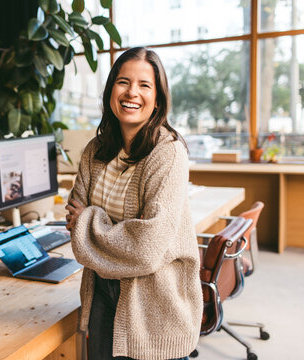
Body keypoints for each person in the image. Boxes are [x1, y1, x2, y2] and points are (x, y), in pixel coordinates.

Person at [65, 47, 202, 360]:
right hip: (101, 294)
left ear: (158, 98)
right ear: (111, 88)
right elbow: (73, 223)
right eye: (123, 82)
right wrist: (125, 230)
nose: (132, 93)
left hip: (155, 306)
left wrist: (90, 220)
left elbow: (147, 249)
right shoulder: (95, 151)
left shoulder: (167, 153)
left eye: (144, 85)